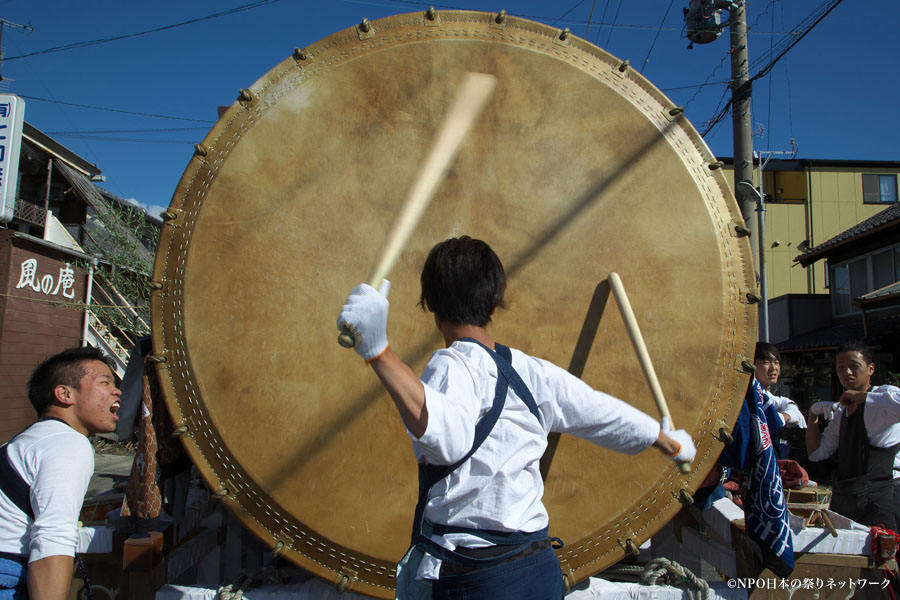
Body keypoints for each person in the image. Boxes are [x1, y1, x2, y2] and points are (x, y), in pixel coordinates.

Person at [337, 236, 696, 599]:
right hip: (538, 570)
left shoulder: (452, 364)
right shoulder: (531, 371)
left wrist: (378, 351)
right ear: (494, 303)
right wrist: (669, 441)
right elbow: (601, 413)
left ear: (429, 302)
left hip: (478, 577)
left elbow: (447, 437)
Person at [0, 347, 121, 599]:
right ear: (65, 394)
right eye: (105, 381)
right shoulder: (67, 443)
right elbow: (52, 538)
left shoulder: (24, 442)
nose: (117, 390)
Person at [806, 343, 900, 529]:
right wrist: (812, 414)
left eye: (854, 366)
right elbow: (816, 453)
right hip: (850, 498)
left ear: (870, 369)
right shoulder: (841, 411)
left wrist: (862, 397)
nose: (847, 372)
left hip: (883, 497)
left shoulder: (885, 395)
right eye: (841, 367)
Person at [754, 342, 806, 430]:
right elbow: (771, 420)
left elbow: (786, 402)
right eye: (766, 362)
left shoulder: (764, 393)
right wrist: (785, 417)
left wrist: (787, 415)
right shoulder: (749, 395)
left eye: (776, 362)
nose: (773, 368)